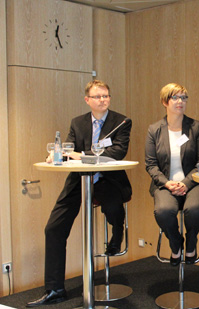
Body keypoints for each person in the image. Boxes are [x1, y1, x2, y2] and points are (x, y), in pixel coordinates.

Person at [27, 80, 132, 307]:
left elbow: (117, 152)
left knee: (113, 207)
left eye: (105, 96)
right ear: (87, 100)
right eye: (97, 96)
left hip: (108, 179)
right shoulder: (78, 122)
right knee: (53, 228)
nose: (102, 100)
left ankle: (117, 231)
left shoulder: (121, 121)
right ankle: (54, 289)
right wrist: (59, 154)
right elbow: (68, 146)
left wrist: (78, 154)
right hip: (79, 179)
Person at [145, 83, 199, 266]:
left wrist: (186, 183)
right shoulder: (154, 130)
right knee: (164, 211)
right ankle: (176, 244)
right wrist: (167, 184)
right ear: (165, 101)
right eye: (175, 97)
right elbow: (150, 165)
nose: (180, 101)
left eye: (184, 97)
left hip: (195, 182)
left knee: (195, 209)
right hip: (165, 184)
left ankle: (191, 242)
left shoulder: (196, 127)